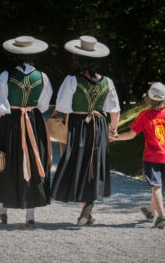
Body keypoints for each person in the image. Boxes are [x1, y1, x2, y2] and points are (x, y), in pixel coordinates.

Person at [51, 36, 121, 226]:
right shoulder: (108, 82)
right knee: (94, 165)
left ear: (79, 60)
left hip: (78, 125)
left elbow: (63, 106)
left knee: (79, 164)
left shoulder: (72, 80)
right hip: (99, 126)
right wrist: (113, 131)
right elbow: (115, 111)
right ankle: (86, 209)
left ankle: (86, 204)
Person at [0, 36, 53, 229]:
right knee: (32, 163)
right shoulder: (42, 77)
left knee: (6, 163)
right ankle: (30, 216)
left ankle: (3, 211)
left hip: (10, 124)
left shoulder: (5, 76)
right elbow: (43, 105)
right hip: (34, 123)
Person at [112, 82, 165, 228]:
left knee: (156, 187)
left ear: (149, 98)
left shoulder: (144, 115)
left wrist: (116, 137)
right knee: (156, 186)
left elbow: (132, 135)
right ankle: (151, 212)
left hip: (151, 157)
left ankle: (162, 217)